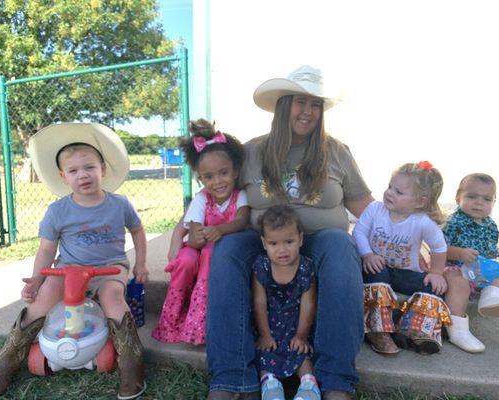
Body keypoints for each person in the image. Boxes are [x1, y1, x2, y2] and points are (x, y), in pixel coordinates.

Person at [206, 65, 374, 400]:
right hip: (263, 241)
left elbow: (364, 206)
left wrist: (405, 232)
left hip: (319, 242)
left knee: (342, 247)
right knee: (227, 251)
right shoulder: (253, 151)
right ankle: (232, 377)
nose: (308, 111)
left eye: (316, 105)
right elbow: (221, 192)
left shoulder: (336, 151)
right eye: (301, 102)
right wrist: (192, 225)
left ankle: (336, 380)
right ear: (283, 105)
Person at [0, 123, 149, 400]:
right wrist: (38, 278)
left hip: (109, 268)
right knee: (42, 300)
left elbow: (138, 230)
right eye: (73, 171)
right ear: (64, 177)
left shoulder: (119, 204)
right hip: (68, 269)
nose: (82, 175)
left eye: (89, 167)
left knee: (112, 296)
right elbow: (47, 249)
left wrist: (141, 264)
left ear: (103, 169)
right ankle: (5, 365)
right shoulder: (58, 210)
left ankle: (131, 367)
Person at [152, 119, 248, 345]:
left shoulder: (240, 196)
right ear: (201, 179)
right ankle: (172, 322)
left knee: (208, 254)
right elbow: (192, 230)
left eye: (223, 173)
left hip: (219, 250)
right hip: (200, 248)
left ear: (235, 171)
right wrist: (192, 239)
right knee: (185, 259)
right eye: (209, 177)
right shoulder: (202, 199)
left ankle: (201, 327)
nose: (217, 182)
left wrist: (219, 229)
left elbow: (242, 220)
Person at [353, 161, 452, 356]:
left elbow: (439, 247)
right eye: (390, 187)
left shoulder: (423, 222)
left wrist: (436, 272)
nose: (389, 193)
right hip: (374, 268)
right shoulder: (375, 209)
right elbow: (359, 232)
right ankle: (377, 330)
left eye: (399, 192)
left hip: (404, 272)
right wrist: (367, 254)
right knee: (377, 269)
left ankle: (416, 329)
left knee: (434, 286)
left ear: (420, 201)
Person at [443, 173, 499, 353]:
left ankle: (491, 298)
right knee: (459, 284)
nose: (479, 202)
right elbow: (440, 249)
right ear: (458, 198)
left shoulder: (491, 226)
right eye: (472, 197)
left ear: (494, 203)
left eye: (486, 199)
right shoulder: (454, 221)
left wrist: (497, 282)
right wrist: (460, 253)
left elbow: (492, 256)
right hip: (455, 268)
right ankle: (458, 330)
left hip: (478, 272)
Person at [253, 205, 319, 400]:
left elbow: (309, 303)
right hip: (269, 321)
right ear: (264, 243)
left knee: (300, 350)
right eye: (273, 244)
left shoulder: (306, 267)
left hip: (297, 321)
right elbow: (259, 301)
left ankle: (308, 385)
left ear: (300, 239)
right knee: (264, 350)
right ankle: (270, 384)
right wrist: (264, 333)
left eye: (289, 241)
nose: (282, 250)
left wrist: (301, 334)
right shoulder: (262, 265)